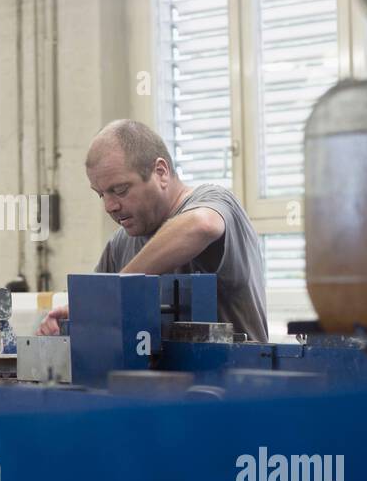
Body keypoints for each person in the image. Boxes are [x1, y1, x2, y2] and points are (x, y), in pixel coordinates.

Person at [37, 119, 268, 341]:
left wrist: (117, 289)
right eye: (101, 194)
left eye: (120, 190)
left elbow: (202, 225)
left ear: (161, 172)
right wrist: (73, 320)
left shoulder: (216, 200)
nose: (109, 206)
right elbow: (97, 314)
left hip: (242, 379)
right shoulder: (120, 245)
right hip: (157, 381)